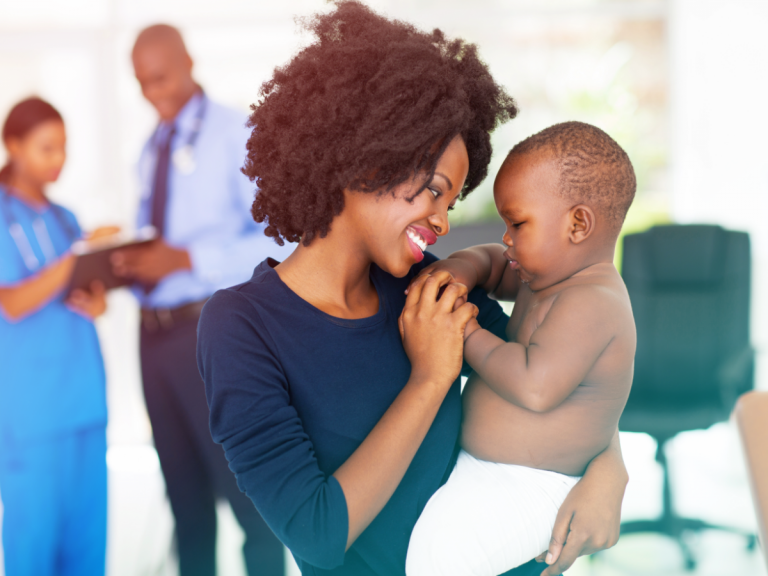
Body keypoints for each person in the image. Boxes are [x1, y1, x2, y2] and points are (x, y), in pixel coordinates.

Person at [196, 4, 629, 576]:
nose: (443, 222)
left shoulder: (425, 286)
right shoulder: (241, 327)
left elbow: (556, 375)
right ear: (365, 157)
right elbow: (317, 533)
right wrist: (430, 379)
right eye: (432, 190)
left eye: (450, 202)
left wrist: (610, 470)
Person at [405, 121, 637, 576]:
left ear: (577, 224)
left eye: (518, 223)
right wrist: (460, 269)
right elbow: (493, 261)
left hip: (536, 484)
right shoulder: (546, 273)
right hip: (490, 469)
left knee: (438, 560)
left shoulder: (592, 302)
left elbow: (535, 386)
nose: (507, 237)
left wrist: (461, 330)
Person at [111, 24, 289, 576]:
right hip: (153, 336)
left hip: (207, 333)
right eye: (141, 83)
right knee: (183, 497)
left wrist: (187, 259)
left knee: (243, 494)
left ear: (189, 61)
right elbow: (155, 240)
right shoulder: (151, 147)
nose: (152, 93)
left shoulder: (237, 133)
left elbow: (279, 238)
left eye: (160, 77)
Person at [0, 97, 110, 576]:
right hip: (33, 418)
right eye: (46, 148)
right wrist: (77, 257)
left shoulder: (65, 217)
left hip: (85, 405)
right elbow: (13, 302)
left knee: (86, 552)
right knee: (33, 551)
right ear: (12, 146)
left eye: (63, 148)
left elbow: (78, 294)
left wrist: (98, 295)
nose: (58, 159)